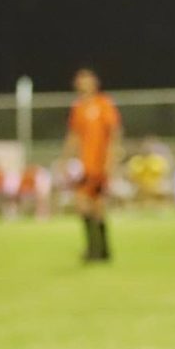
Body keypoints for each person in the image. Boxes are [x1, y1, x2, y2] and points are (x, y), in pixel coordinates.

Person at [60, 68, 122, 262]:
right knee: (84, 205)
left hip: (99, 165)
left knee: (96, 206)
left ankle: (99, 249)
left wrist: (111, 161)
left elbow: (114, 133)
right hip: (84, 166)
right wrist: (65, 159)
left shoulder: (104, 104)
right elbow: (73, 136)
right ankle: (98, 249)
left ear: (94, 83)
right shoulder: (78, 108)